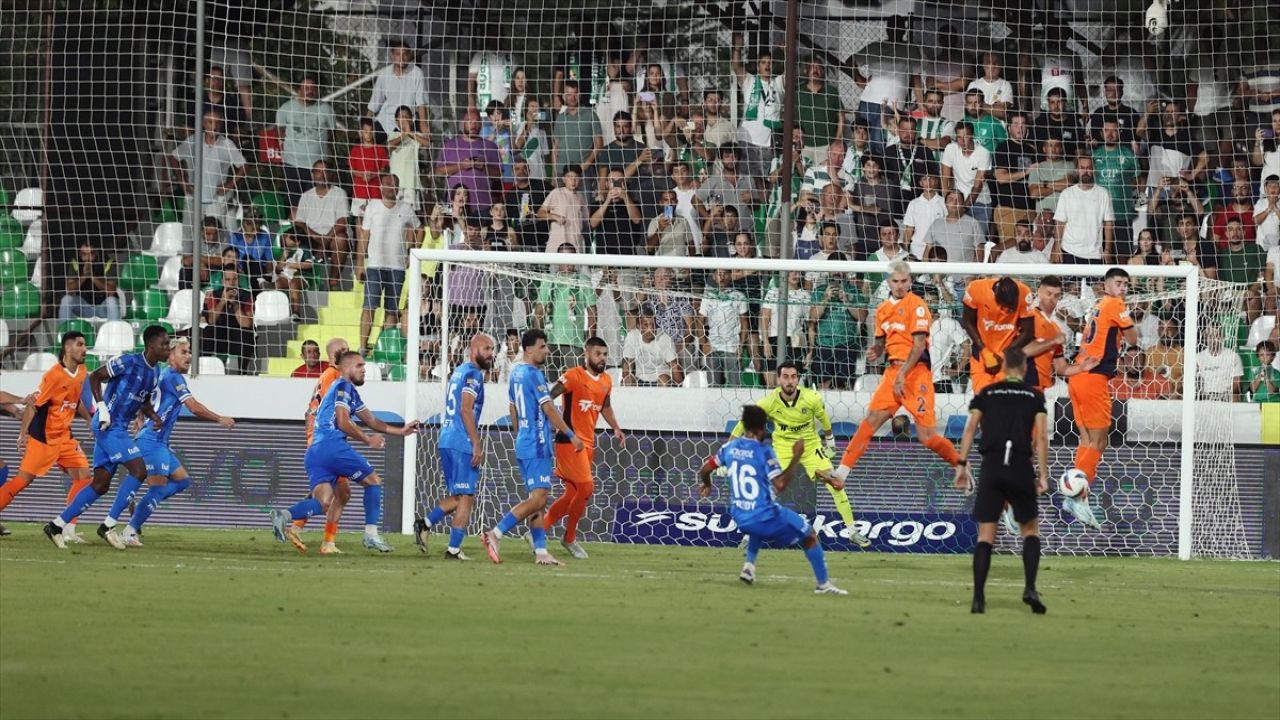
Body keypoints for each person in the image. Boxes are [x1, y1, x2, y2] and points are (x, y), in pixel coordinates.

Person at [270, 352, 420, 554]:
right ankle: (371, 534)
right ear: (347, 368)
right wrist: (368, 440)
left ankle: (284, 515)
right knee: (373, 482)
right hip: (333, 447)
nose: (364, 369)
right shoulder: (343, 386)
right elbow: (342, 421)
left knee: (324, 502)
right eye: (359, 365)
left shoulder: (348, 392)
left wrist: (401, 431)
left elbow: (372, 420)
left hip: (315, 451)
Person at [99, 337, 235, 547]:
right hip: (151, 442)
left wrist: (141, 418)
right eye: (183, 352)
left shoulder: (163, 376)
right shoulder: (173, 377)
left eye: (189, 352)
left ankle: (135, 513)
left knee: (182, 481)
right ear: (170, 355)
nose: (189, 356)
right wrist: (219, 419)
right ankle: (130, 529)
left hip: (158, 441)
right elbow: (194, 407)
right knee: (158, 487)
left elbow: (147, 401)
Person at [697, 405, 847, 595]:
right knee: (810, 535)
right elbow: (781, 484)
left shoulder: (729, 448)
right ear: (762, 429)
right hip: (766, 516)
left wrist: (708, 484)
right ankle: (823, 585)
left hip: (739, 515)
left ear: (743, 425)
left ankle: (749, 567)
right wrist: (796, 457)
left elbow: (704, 469)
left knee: (755, 524)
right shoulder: (764, 451)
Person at [43, 326, 170, 549]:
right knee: (139, 470)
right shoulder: (128, 362)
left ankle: (56, 525)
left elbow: (144, 400)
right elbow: (95, 376)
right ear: (151, 346)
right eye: (164, 344)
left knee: (100, 485)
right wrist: (101, 407)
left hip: (119, 427)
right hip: (108, 425)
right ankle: (108, 526)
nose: (167, 348)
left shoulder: (156, 371)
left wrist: (153, 417)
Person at [835, 262, 962, 482]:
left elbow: (919, 344)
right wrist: (875, 350)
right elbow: (880, 342)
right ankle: (841, 474)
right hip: (893, 372)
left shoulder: (918, 305)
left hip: (915, 373)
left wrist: (903, 374)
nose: (900, 286)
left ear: (910, 281)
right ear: (888, 282)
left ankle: (961, 466)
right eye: (895, 281)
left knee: (928, 438)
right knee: (871, 420)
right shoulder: (883, 309)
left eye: (904, 281)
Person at [953, 347, 1049, 615]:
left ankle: (978, 598)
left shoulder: (987, 393)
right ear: (1025, 367)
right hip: (1019, 466)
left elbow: (970, 428)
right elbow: (1041, 437)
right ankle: (1030, 588)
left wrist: (961, 464)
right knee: (1030, 531)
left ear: (1004, 365)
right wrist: (1042, 474)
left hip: (992, 466)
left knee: (986, 536)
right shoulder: (1034, 396)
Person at [731, 361, 869, 547]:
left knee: (835, 483)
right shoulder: (769, 402)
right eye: (786, 377)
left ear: (798, 379)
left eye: (793, 377)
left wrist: (830, 439)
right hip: (783, 448)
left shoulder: (811, 398)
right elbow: (744, 424)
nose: (790, 381)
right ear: (779, 379)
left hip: (810, 447)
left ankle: (853, 532)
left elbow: (823, 417)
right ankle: (750, 536)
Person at [481, 329, 585, 565]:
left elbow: (512, 409)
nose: (547, 350)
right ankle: (495, 534)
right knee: (538, 499)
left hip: (524, 442)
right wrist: (571, 435)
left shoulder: (516, 374)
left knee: (537, 499)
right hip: (537, 445)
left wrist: (522, 434)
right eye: (542, 346)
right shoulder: (535, 375)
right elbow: (548, 409)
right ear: (529, 349)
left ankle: (541, 552)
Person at [1064, 267, 1139, 529]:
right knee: (1100, 440)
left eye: (1126, 284)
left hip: (1078, 376)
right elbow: (1133, 337)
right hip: (1093, 376)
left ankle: (1077, 495)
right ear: (1106, 285)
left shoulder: (1099, 306)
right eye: (1119, 283)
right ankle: (1076, 495)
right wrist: (1128, 315)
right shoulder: (1115, 303)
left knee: (1087, 439)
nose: (1123, 288)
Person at [0, 333, 93, 540]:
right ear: (68, 349)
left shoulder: (82, 372)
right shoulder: (54, 376)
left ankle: (67, 528)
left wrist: (89, 419)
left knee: (84, 477)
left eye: (85, 345)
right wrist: (23, 433)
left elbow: (76, 402)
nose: (84, 349)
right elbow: (34, 404)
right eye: (80, 345)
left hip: (65, 437)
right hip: (44, 437)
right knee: (22, 481)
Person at [414, 334, 496, 560]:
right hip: (461, 441)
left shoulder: (459, 371)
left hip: (447, 439)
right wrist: (476, 442)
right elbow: (465, 409)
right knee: (467, 497)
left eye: (492, 349)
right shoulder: (473, 375)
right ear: (475, 349)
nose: (491, 354)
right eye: (487, 349)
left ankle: (425, 523)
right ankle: (453, 549)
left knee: (460, 497)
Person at [543, 337, 625, 559]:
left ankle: (539, 530)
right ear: (586, 354)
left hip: (588, 443)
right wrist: (549, 419)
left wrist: (616, 427)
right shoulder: (573, 376)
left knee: (573, 493)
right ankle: (569, 538)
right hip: (569, 441)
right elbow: (549, 396)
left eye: (605, 354)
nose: (602, 358)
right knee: (586, 488)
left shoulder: (607, 380)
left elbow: (605, 405)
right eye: (598, 354)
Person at [358, 174, 420, 352]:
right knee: (369, 306)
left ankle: (385, 348)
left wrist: (412, 251)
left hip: (397, 268)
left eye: (395, 184)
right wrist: (359, 263)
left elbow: (419, 229)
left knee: (391, 309)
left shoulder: (406, 208)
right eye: (388, 184)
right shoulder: (372, 207)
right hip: (375, 266)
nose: (391, 187)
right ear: (381, 186)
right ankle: (363, 347)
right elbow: (364, 236)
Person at [169, 109, 246, 232]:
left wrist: (231, 184)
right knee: (189, 239)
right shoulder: (193, 141)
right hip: (193, 198)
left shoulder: (227, 144)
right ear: (204, 124)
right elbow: (173, 158)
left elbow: (244, 165)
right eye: (210, 122)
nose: (214, 126)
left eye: (217, 123)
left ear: (221, 125)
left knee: (214, 238)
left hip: (216, 201)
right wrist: (181, 179)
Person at [1022, 276, 1100, 393]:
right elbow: (1021, 351)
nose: (1052, 298)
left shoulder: (1068, 309)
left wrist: (1082, 367)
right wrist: (1053, 341)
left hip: (1062, 362)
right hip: (1028, 371)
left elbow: (1087, 332)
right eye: (1048, 293)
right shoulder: (1028, 311)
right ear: (1039, 291)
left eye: (1056, 295)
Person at [960, 276, 1035, 394]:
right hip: (982, 356)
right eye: (1006, 307)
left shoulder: (1024, 293)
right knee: (983, 402)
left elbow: (1029, 332)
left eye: (1012, 308)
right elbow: (967, 321)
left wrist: (1003, 355)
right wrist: (985, 352)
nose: (1009, 311)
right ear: (996, 297)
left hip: (1010, 358)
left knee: (1005, 403)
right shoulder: (976, 289)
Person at [275, 74, 335, 207]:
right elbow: (280, 132)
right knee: (295, 205)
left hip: (318, 168)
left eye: (313, 88)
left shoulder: (326, 109)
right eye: (306, 87)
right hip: (292, 165)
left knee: (317, 205)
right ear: (299, 90)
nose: (310, 90)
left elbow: (332, 135)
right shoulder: (285, 109)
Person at [292, 160, 349, 281]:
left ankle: (333, 280)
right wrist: (313, 234)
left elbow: (342, 222)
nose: (321, 175)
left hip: (332, 236)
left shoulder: (340, 193)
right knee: (292, 235)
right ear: (312, 175)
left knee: (341, 239)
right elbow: (299, 222)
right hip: (311, 236)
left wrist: (325, 240)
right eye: (318, 172)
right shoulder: (306, 195)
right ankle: (295, 277)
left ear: (331, 174)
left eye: (325, 171)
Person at [366, 39, 430, 144]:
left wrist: (424, 125)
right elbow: (374, 103)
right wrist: (366, 125)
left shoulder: (417, 73)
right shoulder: (384, 74)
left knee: (419, 144)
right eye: (397, 54)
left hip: (408, 122)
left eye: (405, 54)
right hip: (386, 121)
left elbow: (421, 103)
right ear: (392, 55)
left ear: (409, 55)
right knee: (370, 140)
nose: (401, 58)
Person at [1055, 156, 1116, 263]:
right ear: (1077, 171)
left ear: (1093, 170)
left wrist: (1107, 250)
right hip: (1069, 251)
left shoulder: (1103, 193)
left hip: (1094, 254)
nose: (1086, 171)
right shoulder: (1066, 194)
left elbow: (1108, 224)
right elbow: (1059, 224)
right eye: (1082, 168)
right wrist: (1056, 247)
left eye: (1089, 168)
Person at [59, 241, 121, 323]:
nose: (87, 258)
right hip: (84, 306)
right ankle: (65, 333)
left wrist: (92, 276)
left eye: (91, 253)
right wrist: (84, 276)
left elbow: (111, 291)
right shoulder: (76, 262)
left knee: (112, 301)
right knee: (66, 300)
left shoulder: (108, 262)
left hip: (103, 306)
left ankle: (115, 331)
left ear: (97, 253)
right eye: (84, 254)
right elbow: (69, 289)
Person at [201, 268, 255, 361]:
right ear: (223, 281)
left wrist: (235, 304)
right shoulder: (214, 295)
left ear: (238, 280)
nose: (232, 282)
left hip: (238, 336)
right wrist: (222, 301)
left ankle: (243, 373)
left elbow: (246, 324)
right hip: (221, 336)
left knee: (247, 335)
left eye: (235, 279)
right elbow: (211, 320)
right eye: (228, 279)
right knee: (208, 331)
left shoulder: (247, 296)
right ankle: (203, 367)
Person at [622, 309, 682, 386]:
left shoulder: (664, 338)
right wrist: (627, 378)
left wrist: (680, 388)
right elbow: (627, 364)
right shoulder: (632, 336)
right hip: (640, 379)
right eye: (646, 325)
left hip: (661, 378)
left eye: (653, 324)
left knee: (664, 380)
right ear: (639, 326)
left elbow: (675, 366)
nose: (651, 328)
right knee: (626, 381)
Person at [538, 165, 588, 253]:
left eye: (576, 177)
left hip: (575, 243)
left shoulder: (581, 197)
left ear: (580, 179)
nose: (573, 181)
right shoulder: (556, 193)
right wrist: (554, 216)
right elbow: (540, 213)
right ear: (564, 179)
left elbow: (587, 219)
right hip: (557, 242)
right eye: (569, 177)